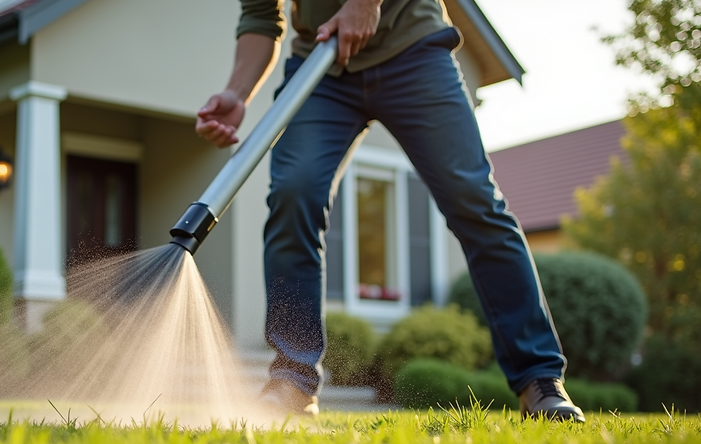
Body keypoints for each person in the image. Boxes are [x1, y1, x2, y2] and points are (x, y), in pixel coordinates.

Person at [195, 0, 585, 421]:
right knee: (293, 194)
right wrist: (237, 92)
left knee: (474, 200)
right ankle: (292, 379)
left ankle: (539, 379)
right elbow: (261, 16)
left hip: (413, 51)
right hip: (321, 66)